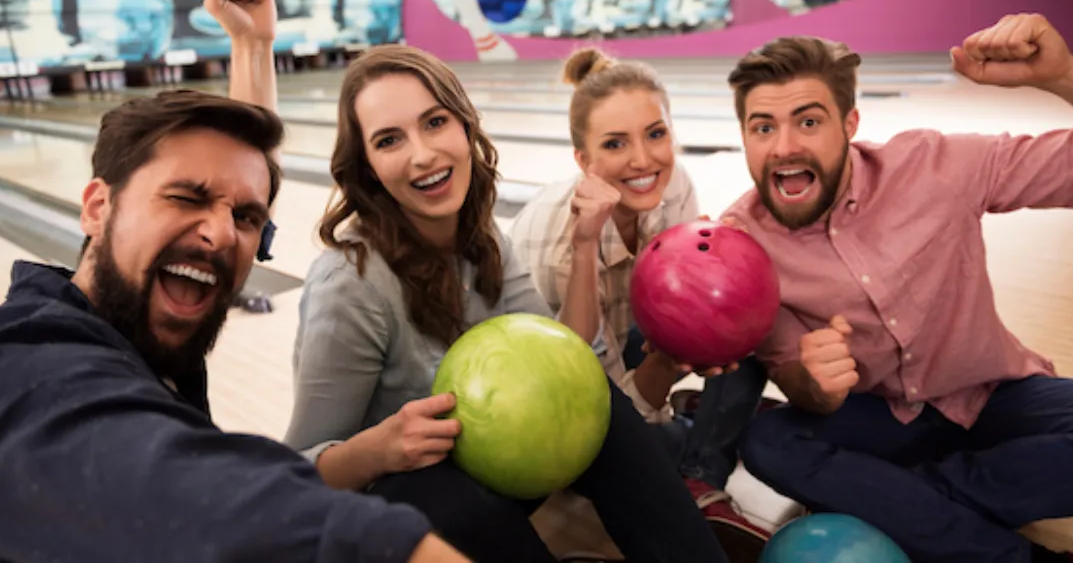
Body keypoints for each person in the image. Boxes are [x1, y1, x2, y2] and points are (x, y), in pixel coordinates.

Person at [0, 87, 472, 562]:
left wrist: (254, 47)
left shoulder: (144, 338)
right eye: (186, 198)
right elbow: (198, 499)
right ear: (97, 207)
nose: (222, 234)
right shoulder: (19, 366)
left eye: (246, 218)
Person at [274, 43, 733, 562]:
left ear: (465, 127)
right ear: (369, 167)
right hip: (402, 501)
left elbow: (564, 357)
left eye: (434, 122)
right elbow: (298, 474)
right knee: (450, 500)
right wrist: (380, 447)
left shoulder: (482, 238)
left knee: (602, 403)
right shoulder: (350, 285)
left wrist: (586, 244)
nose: (422, 153)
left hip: (500, 463)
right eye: (389, 140)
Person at [720, 13, 1073, 563]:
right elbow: (797, 386)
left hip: (991, 393)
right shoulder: (743, 245)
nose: (783, 147)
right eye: (763, 127)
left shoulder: (937, 165)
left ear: (849, 123)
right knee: (769, 443)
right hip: (881, 416)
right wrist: (812, 383)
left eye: (808, 122)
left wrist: (1063, 76)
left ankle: (908, 499)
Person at [507, 46, 771, 538]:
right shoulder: (559, 245)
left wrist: (709, 325)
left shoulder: (674, 185)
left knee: (740, 319)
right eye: (614, 145)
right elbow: (601, 403)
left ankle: (700, 474)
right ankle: (692, 432)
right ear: (583, 160)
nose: (643, 159)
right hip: (556, 387)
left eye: (656, 134)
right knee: (635, 448)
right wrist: (669, 363)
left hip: (626, 334)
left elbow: (690, 299)